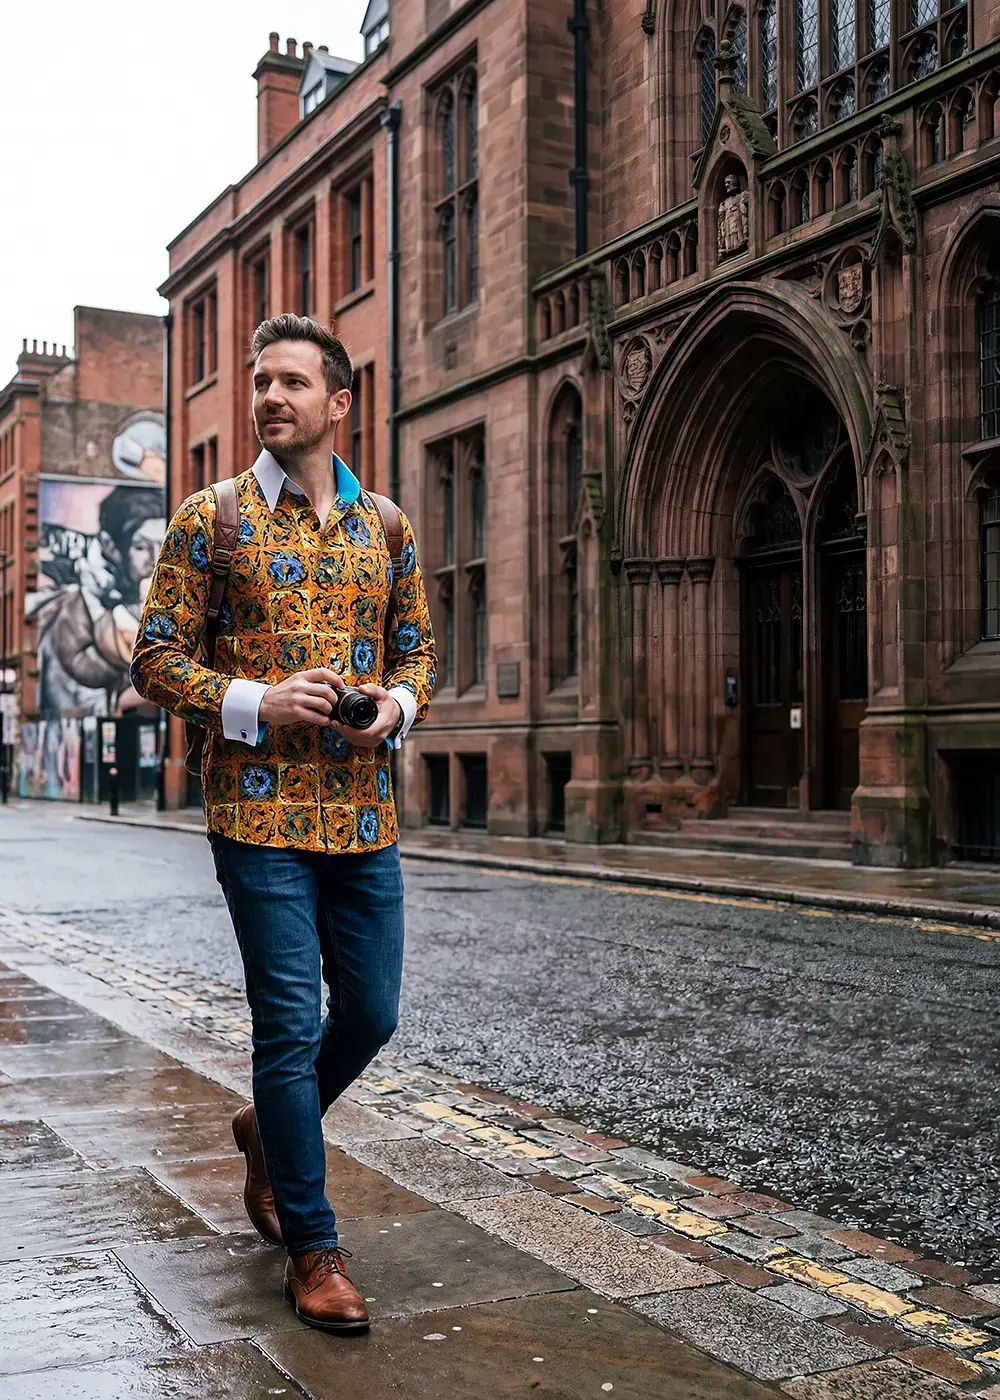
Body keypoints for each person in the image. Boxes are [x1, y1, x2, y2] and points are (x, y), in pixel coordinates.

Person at [130, 314, 436, 1334]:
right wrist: (259, 701)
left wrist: (391, 710)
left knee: (374, 1012)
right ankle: (313, 1244)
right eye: (261, 381)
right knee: (289, 1023)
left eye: (292, 382)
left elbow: (415, 656)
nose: (269, 396)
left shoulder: (385, 526)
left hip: (363, 811)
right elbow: (155, 659)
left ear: (338, 403)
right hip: (254, 815)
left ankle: (270, 1124)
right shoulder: (207, 519)